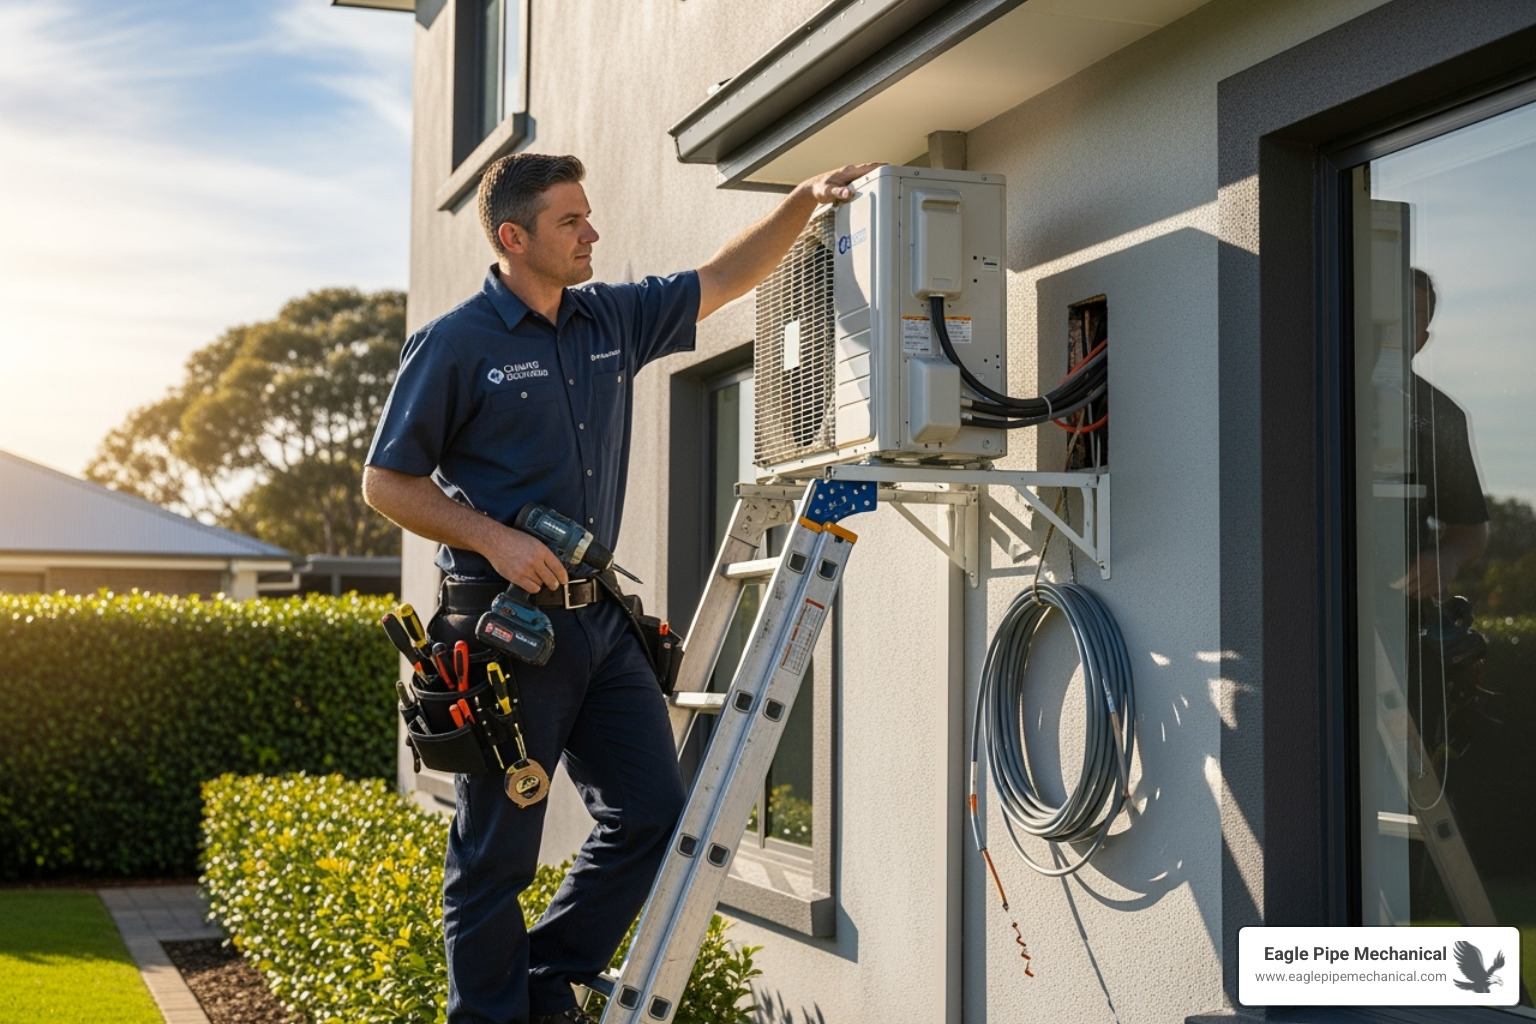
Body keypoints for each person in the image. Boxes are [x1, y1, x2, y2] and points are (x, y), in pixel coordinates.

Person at [362, 153, 877, 1024]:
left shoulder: (611, 320)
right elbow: (385, 483)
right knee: (496, 856)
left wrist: (800, 202)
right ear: (514, 238)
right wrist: (495, 539)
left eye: (589, 216)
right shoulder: (455, 345)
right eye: (572, 221)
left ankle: (540, 982)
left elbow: (723, 278)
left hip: (599, 625)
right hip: (500, 631)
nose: (592, 232)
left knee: (651, 813)